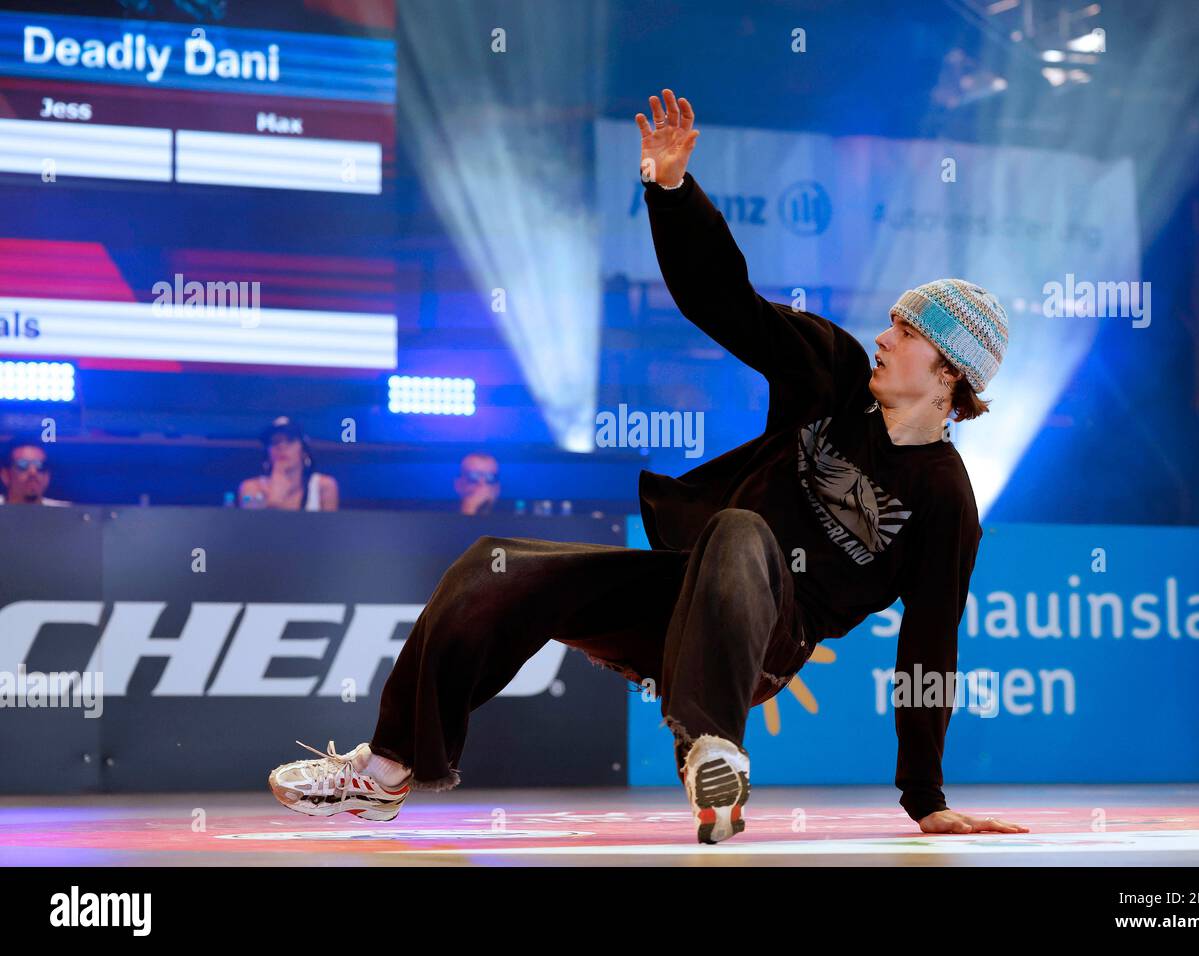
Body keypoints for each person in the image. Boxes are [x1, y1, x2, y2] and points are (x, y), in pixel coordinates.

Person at [267, 88, 1029, 842]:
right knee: (495, 566)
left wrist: (925, 796)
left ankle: (710, 749)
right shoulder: (833, 372)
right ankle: (389, 769)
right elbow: (727, 302)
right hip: (687, 587)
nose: (887, 335)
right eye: (891, 320)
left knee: (741, 531)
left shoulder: (945, 499)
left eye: (909, 330)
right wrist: (670, 192)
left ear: (951, 375)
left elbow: (930, 643)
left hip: (769, 636)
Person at [238, 417, 339, 511]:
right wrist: (275, 498)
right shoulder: (251, 488)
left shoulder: (323, 486)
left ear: (303, 451)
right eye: (275, 442)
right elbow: (252, 526)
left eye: (290, 441)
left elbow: (329, 528)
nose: (282, 447)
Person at [0, 439, 70, 506]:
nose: (33, 472)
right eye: (23, 465)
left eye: (39, 465)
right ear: (5, 475)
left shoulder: (68, 513)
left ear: (47, 477)